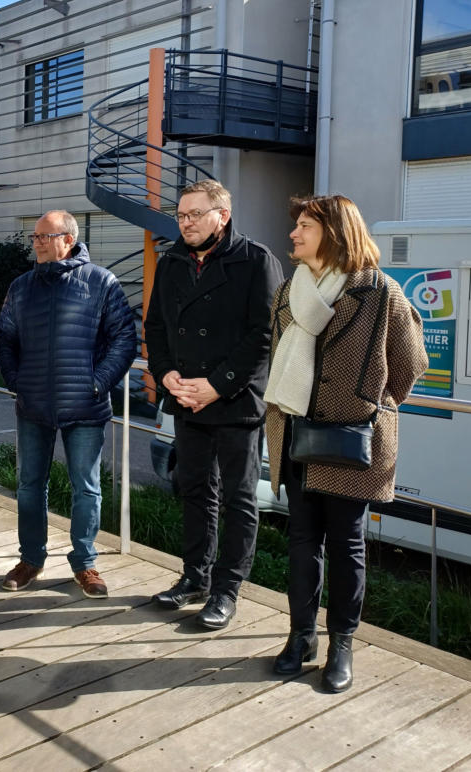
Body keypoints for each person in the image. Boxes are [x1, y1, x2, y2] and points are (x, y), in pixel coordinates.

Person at [265, 194, 426, 693]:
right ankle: (300, 637)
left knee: (346, 545)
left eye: (305, 226)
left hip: (351, 439)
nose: (293, 234)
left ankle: (342, 644)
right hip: (296, 433)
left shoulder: (380, 291)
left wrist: (363, 401)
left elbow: (410, 365)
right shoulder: (289, 291)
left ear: (334, 233)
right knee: (301, 542)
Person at [144, 179, 283, 629]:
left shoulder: (256, 260)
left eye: (194, 215)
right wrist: (166, 374)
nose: (185, 223)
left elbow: (264, 335)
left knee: (239, 498)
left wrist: (217, 385)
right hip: (187, 397)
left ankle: (227, 590)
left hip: (235, 400)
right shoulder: (172, 261)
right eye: (181, 215)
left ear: (222, 215)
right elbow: (156, 326)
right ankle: (195, 577)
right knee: (194, 490)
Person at [0, 210, 138, 598]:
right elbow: (5, 339)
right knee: (29, 486)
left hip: (86, 406)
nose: (37, 242)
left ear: (69, 240)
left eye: (45, 236)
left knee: (86, 488)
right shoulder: (22, 287)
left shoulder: (101, 281)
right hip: (33, 405)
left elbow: (125, 339)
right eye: (35, 237)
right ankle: (31, 559)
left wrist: (97, 383)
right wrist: (17, 382)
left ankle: (85, 563)